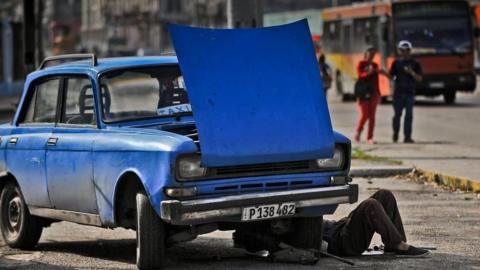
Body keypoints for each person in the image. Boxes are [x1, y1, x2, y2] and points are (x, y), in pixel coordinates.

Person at [323, 189, 430, 257]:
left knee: (384, 195)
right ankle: (400, 245)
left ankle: (393, 245)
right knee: (370, 205)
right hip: (342, 242)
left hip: (339, 226)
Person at [389, 41, 422, 143]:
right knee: (397, 115)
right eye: (402, 50)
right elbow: (391, 77)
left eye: (407, 50)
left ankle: (407, 137)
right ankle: (395, 133)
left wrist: (411, 72)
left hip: (409, 93)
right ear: (399, 51)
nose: (405, 52)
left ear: (410, 51)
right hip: (398, 93)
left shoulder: (415, 63)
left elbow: (419, 79)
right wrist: (387, 75)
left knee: (409, 115)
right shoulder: (396, 63)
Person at [354, 47, 388, 144]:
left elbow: (376, 81)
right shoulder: (361, 64)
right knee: (365, 114)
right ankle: (358, 131)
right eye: (370, 54)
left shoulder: (375, 65)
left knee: (372, 116)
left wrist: (379, 93)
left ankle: (370, 137)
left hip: (374, 94)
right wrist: (370, 72)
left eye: (373, 55)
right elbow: (361, 75)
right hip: (363, 93)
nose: (371, 56)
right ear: (366, 54)